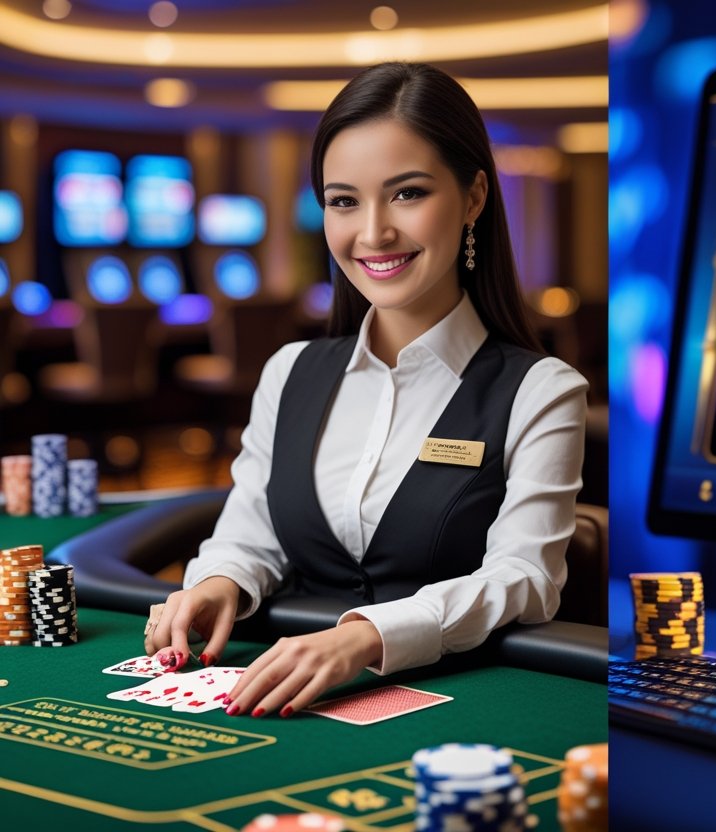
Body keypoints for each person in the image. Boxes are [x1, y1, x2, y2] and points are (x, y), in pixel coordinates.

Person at [143, 62, 587, 719]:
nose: (373, 232)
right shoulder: (288, 369)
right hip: (283, 694)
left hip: (457, 704)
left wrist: (364, 637)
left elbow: (524, 579)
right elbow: (251, 533)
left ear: (473, 198)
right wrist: (218, 583)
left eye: (407, 194)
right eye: (343, 200)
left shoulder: (541, 390)